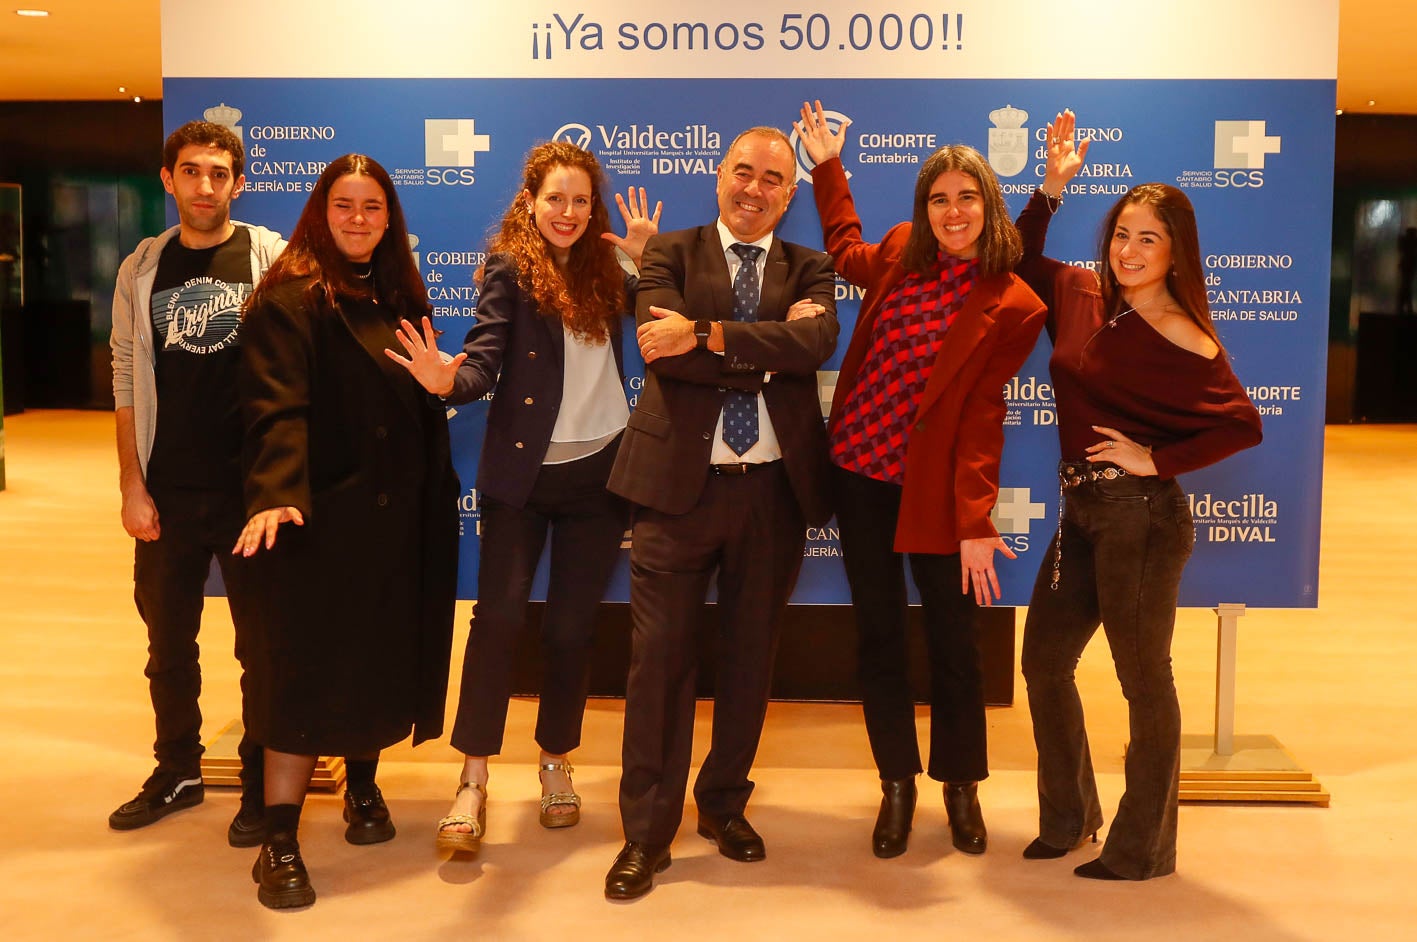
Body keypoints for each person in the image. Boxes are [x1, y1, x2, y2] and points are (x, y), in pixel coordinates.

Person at [385, 141, 661, 853]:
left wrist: (642, 259)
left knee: (571, 630)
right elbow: (483, 356)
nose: (567, 213)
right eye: (554, 199)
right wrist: (449, 383)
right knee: (500, 620)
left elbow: (663, 316)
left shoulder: (609, 269)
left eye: (579, 200)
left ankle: (556, 763)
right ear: (529, 204)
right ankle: (472, 780)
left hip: (599, 477)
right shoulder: (509, 269)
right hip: (522, 479)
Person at [795, 101, 1047, 860]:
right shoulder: (903, 251)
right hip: (860, 473)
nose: (951, 211)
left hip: (935, 490)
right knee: (877, 635)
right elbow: (844, 249)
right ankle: (896, 785)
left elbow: (980, 419)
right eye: (938, 199)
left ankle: (960, 787)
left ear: (987, 204)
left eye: (965, 197)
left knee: (954, 643)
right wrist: (827, 166)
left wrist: (975, 521)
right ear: (924, 209)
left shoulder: (1013, 303)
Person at [1016, 111, 1263, 880]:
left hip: (1140, 521)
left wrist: (1155, 459)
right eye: (1121, 233)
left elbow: (1242, 427)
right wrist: (1051, 189)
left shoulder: (1183, 333)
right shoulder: (1082, 291)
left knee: (1140, 679)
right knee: (1044, 663)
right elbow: (1018, 260)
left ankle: (1142, 848)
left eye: (1147, 238)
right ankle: (1068, 818)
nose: (1127, 250)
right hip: (1081, 512)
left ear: (1175, 251)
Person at [601, 125, 838, 900]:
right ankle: (645, 833)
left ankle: (724, 804)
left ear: (789, 193)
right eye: (743, 172)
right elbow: (657, 349)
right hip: (678, 489)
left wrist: (705, 333)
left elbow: (813, 347)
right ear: (718, 176)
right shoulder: (667, 252)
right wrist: (766, 344)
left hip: (772, 491)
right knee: (658, 663)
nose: (754, 189)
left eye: (772, 179)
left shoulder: (811, 264)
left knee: (747, 660)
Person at [233, 153, 459, 909]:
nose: (358, 219)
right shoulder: (288, 300)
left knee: (373, 667)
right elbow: (275, 410)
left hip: (392, 530)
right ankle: (279, 842)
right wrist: (273, 492)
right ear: (319, 213)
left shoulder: (397, 294)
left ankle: (362, 790)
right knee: (299, 686)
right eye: (343, 206)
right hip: (312, 526)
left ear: (388, 218)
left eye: (371, 207)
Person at [107, 120, 285, 848]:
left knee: (261, 648)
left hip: (250, 494)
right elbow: (125, 377)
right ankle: (176, 769)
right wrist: (130, 483)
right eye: (191, 172)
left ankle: (255, 782)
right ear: (168, 179)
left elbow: (294, 370)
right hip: (168, 490)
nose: (204, 185)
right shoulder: (141, 268)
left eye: (219, 173)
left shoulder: (269, 255)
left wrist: (283, 484)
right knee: (168, 645)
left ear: (237, 182)